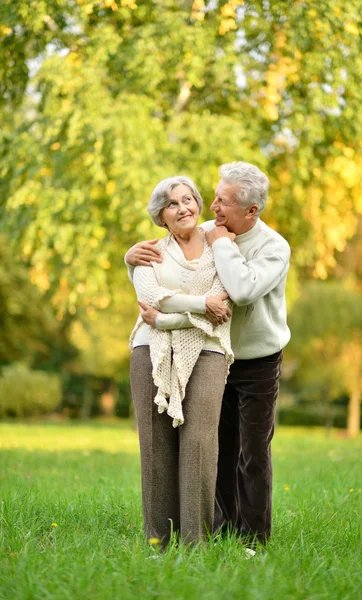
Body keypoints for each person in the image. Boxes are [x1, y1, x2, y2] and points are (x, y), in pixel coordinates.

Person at [125, 162, 291, 545]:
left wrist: (219, 243)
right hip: (207, 352)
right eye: (213, 197)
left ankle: (252, 539)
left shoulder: (272, 247)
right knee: (215, 447)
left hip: (256, 358)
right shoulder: (205, 231)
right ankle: (218, 530)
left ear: (251, 210)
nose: (211, 206)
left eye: (223, 201)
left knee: (252, 451)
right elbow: (164, 271)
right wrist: (128, 258)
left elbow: (240, 290)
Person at [126, 175, 234, 547]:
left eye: (188, 199)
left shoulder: (220, 245)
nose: (182, 207)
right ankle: (158, 540)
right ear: (161, 216)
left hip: (207, 349)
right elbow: (151, 296)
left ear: (198, 204)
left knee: (200, 443)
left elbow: (225, 299)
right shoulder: (150, 252)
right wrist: (200, 305)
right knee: (155, 443)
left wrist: (172, 317)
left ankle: (195, 542)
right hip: (150, 349)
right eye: (172, 204)